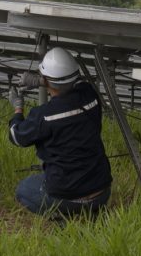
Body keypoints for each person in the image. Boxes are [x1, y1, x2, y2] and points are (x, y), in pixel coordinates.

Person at [7, 47, 112, 218]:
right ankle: (91, 211)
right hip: (102, 192)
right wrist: (42, 81)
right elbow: (72, 83)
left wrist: (18, 108)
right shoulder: (90, 95)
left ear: (48, 80)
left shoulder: (45, 115)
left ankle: (64, 215)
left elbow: (16, 136)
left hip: (67, 194)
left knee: (24, 189)